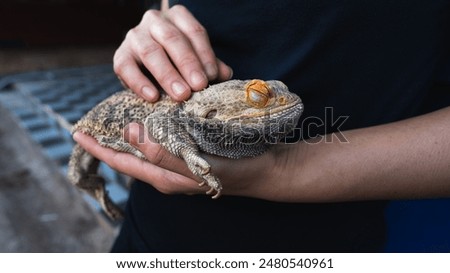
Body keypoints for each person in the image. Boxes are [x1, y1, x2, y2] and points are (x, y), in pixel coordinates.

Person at [74, 0, 450, 252]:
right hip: (155, 230)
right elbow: (163, 117)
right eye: (259, 95)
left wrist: (282, 169)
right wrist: (162, 22)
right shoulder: (193, 115)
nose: (287, 102)